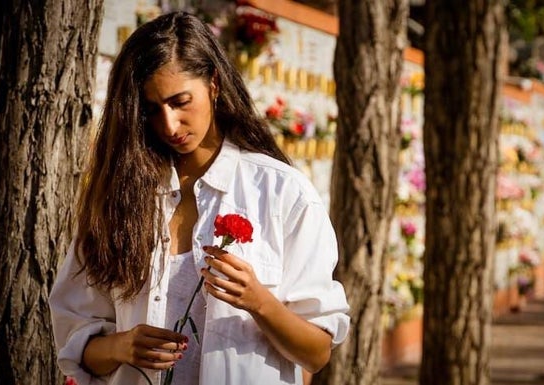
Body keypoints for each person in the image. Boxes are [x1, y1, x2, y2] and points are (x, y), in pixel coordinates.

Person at [48, 11, 349, 385]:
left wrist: (259, 301)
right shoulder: (119, 199)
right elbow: (74, 343)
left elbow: (316, 353)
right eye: (151, 109)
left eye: (180, 101)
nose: (169, 125)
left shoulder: (283, 193)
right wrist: (122, 346)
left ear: (215, 84)